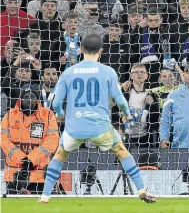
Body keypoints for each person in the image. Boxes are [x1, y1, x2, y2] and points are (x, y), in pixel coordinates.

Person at [39, 34, 155, 203]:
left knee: (59, 156)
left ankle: (45, 196)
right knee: (122, 152)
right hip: (100, 127)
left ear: (81, 50)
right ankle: (141, 190)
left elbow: (56, 102)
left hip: (74, 127)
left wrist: (58, 114)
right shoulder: (108, 71)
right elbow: (120, 100)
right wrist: (127, 114)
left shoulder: (68, 72)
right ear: (101, 51)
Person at [0, 85, 59, 194]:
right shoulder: (9, 115)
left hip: (40, 175)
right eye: (26, 96)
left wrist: (32, 159)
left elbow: (52, 141)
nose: (29, 100)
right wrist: (23, 159)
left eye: (33, 96)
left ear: (37, 99)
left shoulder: (48, 115)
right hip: (15, 174)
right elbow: (3, 140)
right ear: (20, 99)